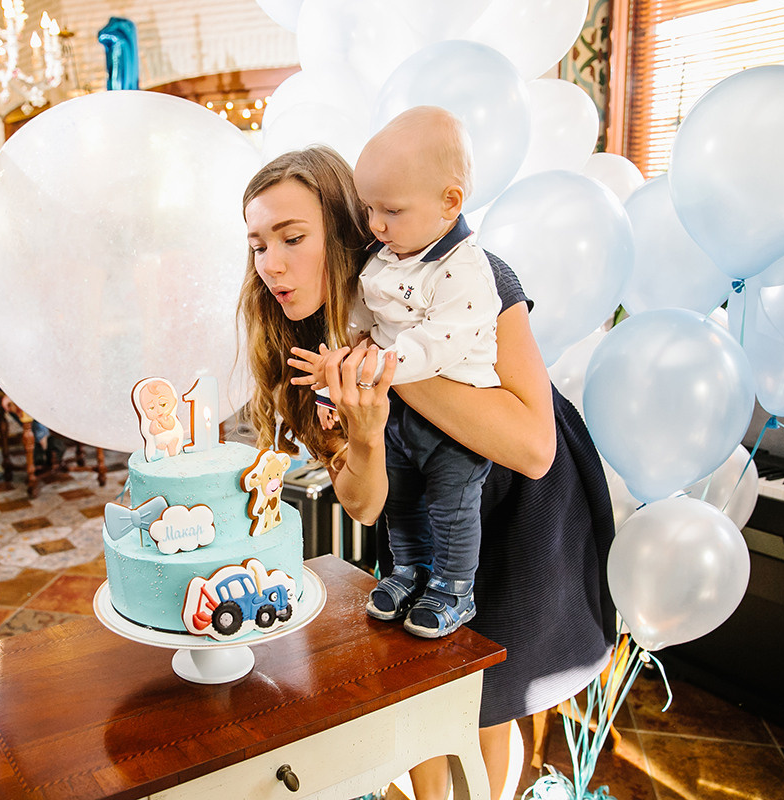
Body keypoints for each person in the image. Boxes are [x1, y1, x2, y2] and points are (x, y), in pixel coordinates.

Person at [240, 145, 615, 800]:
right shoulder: (301, 342)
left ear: (349, 232)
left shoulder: (466, 278)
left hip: (522, 506)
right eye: (256, 244)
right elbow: (363, 504)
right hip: (427, 524)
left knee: (493, 696)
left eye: (291, 238)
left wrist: (387, 363)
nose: (270, 264)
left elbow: (532, 446)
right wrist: (363, 434)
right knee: (427, 691)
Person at [295, 107, 502, 639]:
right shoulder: (391, 253)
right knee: (403, 497)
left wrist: (369, 363)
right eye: (368, 210)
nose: (376, 226)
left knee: (453, 509)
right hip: (401, 413)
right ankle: (408, 570)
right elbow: (367, 314)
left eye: (391, 210)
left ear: (449, 202)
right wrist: (344, 348)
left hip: (458, 422)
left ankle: (455, 589)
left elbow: (436, 344)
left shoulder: (466, 269)